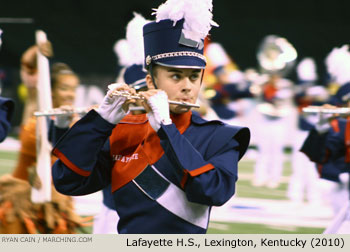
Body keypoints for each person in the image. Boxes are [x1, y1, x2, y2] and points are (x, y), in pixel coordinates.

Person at [51, 0, 250, 234]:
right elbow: (68, 181)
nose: (187, 87)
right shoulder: (124, 132)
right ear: (150, 82)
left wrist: (167, 130)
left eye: (194, 77)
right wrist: (100, 122)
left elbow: (214, 192)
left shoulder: (221, 136)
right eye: (176, 76)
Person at [0, 62, 86, 234]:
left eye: (73, 89)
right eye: (64, 88)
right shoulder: (35, 111)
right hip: (20, 195)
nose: (70, 94)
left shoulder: (76, 122)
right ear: (51, 90)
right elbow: (28, 63)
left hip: (55, 198)